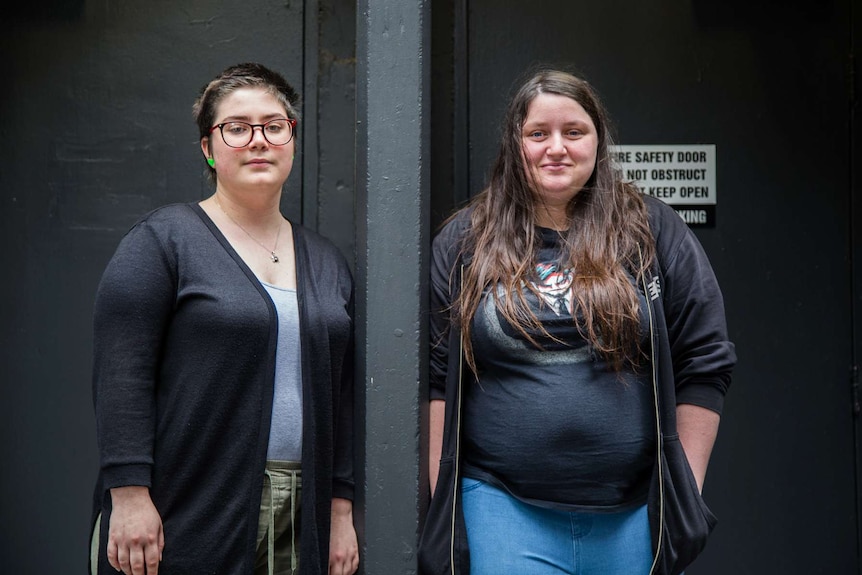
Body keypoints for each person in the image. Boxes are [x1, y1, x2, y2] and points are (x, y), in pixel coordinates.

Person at [419, 69, 736, 575]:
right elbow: (435, 377)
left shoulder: (650, 230)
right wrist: (442, 498)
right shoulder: (465, 241)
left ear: (598, 141)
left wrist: (685, 485)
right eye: (538, 133)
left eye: (574, 132)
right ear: (514, 143)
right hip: (501, 506)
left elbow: (704, 359)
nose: (556, 148)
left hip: (632, 514)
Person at [89, 62, 359, 575]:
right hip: (189, 500)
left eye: (274, 125)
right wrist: (127, 494)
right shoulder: (164, 241)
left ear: (291, 140)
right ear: (209, 149)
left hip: (301, 509)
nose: (258, 140)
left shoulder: (326, 262)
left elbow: (343, 395)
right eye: (236, 128)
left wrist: (340, 510)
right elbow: (121, 375)